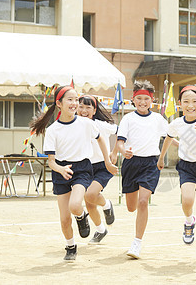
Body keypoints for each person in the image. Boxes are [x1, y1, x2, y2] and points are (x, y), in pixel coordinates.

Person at [30, 86, 118, 261]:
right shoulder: (53, 130)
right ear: (59, 104)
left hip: (81, 169)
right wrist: (60, 169)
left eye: (75, 99)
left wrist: (108, 161)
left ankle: (81, 214)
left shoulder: (86, 123)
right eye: (70, 99)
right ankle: (71, 246)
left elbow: (100, 138)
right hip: (61, 171)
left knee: (75, 205)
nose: (74, 103)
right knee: (64, 219)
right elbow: (51, 161)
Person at [157, 84, 196, 258]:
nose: (190, 105)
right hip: (187, 167)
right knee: (187, 200)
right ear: (180, 104)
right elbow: (169, 138)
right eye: (186, 101)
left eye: (194, 101)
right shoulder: (177, 123)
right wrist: (161, 158)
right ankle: (189, 221)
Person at [116, 80, 176, 259]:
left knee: (143, 202)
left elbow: (170, 138)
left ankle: (137, 243)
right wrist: (122, 150)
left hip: (151, 163)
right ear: (133, 99)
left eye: (146, 99)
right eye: (139, 98)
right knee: (131, 207)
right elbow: (120, 141)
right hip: (131, 163)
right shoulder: (128, 118)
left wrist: (187, 145)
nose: (143, 102)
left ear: (152, 100)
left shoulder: (158, 119)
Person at [77, 95, 118, 244]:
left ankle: (107, 204)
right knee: (89, 202)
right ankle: (101, 230)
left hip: (103, 165)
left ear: (94, 110)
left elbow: (121, 133)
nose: (84, 110)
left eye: (88, 107)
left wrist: (114, 152)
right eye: (81, 106)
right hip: (85, 167)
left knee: (90, 194)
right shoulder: (74, 126)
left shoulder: (101, 125)